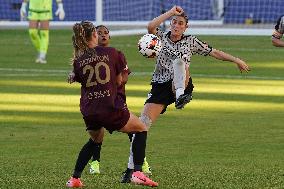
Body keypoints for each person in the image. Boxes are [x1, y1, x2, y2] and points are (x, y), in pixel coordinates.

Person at [121, 5, 251, 182]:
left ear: (185, 27)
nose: (176, 25)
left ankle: (181, 95)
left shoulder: (191, 41)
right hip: (160, 87)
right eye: (174, 22)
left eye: (180, 23)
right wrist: (170, 13)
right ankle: (131, 171)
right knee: (141, 126)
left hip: (182, 84)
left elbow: (214, 52)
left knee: (180, 61)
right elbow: (150, 27)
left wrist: (236, 60)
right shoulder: (160, 38)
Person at [66, 21, 158, 188]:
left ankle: (75, 179)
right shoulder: (112, 53)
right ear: (94, 35)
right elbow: (120, 79)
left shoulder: (78, 61)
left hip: (89, 110)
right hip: (109, 106)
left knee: (95, 140)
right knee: (141, 128)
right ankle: (137, 172)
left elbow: (80, 79)